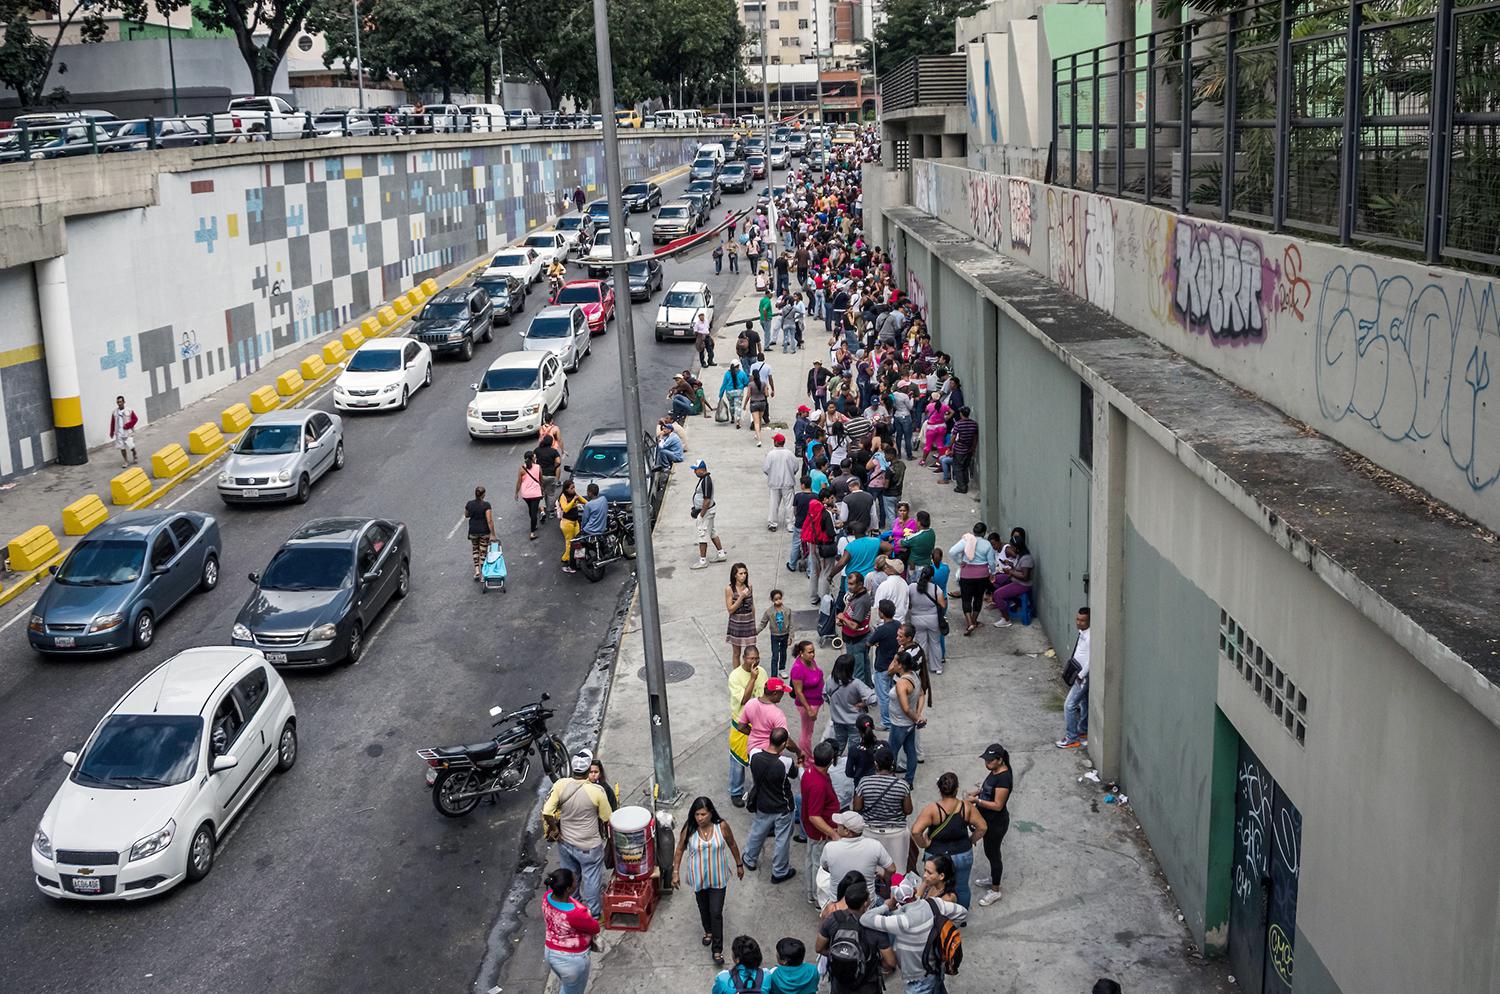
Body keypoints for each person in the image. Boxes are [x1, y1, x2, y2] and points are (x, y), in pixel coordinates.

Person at [858, 877, 967, 994]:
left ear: (896, 899)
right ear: (914, 891)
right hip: (937, 966)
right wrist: (942, 928)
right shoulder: (934, 903)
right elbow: (962, 913)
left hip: (918, 979)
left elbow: (865, 919)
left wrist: (886, 906)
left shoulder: (900, 921)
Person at [540, 750, 614, 918]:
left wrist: (555, 829)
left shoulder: (560, 785)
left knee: (571, 877)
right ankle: (594, 915)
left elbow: (547, 811)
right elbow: (607, 818)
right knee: (592, 879)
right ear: (589, 770)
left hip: (565, 843)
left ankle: (574, 911)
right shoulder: (597, 791)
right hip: (589, 846)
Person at [672, 796, 745, 965]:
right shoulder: (689, 828)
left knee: (716, 912)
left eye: (703, 814)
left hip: (718, 877)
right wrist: (675, 872)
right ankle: (708, 931)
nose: (700, 818)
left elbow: (732, 844)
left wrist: (739, 864)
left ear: (711, 813)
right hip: (698, 877)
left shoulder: (722, 827)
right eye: (697, 814)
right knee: (703, 907)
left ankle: (717, 949)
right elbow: (679, 850)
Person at [910, 772, 986, 910]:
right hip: (962, 853)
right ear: (957, 788)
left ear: (940, 789)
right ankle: (960, 916)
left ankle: (935, 914)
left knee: (932, 886)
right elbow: (982, 827)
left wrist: (924, 844)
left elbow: (915, 831)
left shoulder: (932, 809)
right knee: (962, 887)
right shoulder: (966, 807)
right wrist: (971, 840)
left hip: (936, 856)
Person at [818, 877, 897, 994]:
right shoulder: (874, 927)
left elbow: (819, 948)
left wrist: (841, 956)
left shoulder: (833, 919)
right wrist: (871, 964)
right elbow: (890, 962)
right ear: (865, 903)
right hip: (867, 984)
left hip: (839, 983)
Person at [744, 727, 800, 883]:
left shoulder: (754, 754)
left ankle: (749, 858)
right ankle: (780, 871)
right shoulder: (785, 762)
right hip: (782, 806)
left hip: (762, 803)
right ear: (783, 744)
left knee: (758, 831)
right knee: (782, 839)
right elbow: (795, 774)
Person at [852, 745, 913, 874]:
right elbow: (908, 810)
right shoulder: (902, 785)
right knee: (898, 871)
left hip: (870, 831)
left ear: (876, 764)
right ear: (892, 764)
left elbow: (857, 807)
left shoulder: (864, 782)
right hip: (896, 833)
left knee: (871, 871)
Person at [541, 867, 599, 994]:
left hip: (551, 952)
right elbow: (595, 928)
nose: (576, 882)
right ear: (568, 889)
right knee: (573, 991)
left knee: (568, 987)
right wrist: (587, 913)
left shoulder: (547, 897)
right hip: (571, 960)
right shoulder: (575, 914)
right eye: (574, 881)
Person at [967, 743, 1012, 907]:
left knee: (993, 855)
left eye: (991, 761)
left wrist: (977, 801)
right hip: (987, 820)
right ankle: (993, 877)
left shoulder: (1004, 779)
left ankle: (995, 889)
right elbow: (988, 788)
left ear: (1000, 760)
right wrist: (977, 792)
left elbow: (998, 805)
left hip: (996, 824)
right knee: (989, 852)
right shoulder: (994, 771)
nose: (987, 763)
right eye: (986, 760)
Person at [800, 740, 841, 908]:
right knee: (819, 865)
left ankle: (811, 893)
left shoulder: (809, 772)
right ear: (830, 761)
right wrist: (833, 833)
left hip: (813, 831)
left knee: (811, 859)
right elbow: (814, 816)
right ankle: (819, 899)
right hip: (820, 833)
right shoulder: (818, 784)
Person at [728, 646, 770, 805]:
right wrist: (752, 678)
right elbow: (744, 700)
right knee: (737, 760)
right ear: (744, 658)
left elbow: (765, 695)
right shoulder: (735, 676)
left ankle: (758, 790)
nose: (754, 661)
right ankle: (735, 791)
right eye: (751, 658)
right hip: (741, 723)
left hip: (759, 722)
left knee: (759, 759)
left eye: (757, 658)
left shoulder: (763, 672)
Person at [949, 522, 997, 636]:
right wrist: (993, 573)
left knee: (966, 599)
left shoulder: (966, 540)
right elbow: (991, 562)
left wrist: (960, 562)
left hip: (967, 574)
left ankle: (969, 623)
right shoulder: (987, 544)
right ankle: (974, 621)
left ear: (974, 531)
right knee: (978, 598)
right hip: (982, 575)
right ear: (984, 533)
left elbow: (952, 552)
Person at [887, 650, 925, 787]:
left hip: (900, 724)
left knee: (891, 754)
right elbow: (921, 694)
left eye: (895, 661)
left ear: (900, 665)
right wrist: (918, 716)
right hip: (909, 724)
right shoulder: (914, 675)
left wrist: (917, 717)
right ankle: (909, 780)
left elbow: (906, 708)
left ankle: (889, 781)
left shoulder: (901, 684)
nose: (892, 663)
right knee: (910, 751)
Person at [826, 653, 877, 751]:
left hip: (837, 720)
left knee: (838, 746)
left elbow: (824, 694)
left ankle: (834, 764)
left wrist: (833, 705)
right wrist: (863, 704)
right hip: (854, 721)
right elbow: (873, 699)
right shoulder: (856, 684)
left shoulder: (830, 679)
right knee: (854, 748)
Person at [1057, 608, 1091, 748]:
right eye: (1077, 619)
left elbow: (1092, 659)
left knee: (1069, 705)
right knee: (1083, 702)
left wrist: (1081, 675)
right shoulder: (1082, 632)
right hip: (1077, 673)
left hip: (1082, 677)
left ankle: (1072, 738)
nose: (1079, 623)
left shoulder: (1091, 637)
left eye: (1083, 620)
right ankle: (1083, 730)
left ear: (1090, 621)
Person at [787, 639, 825, 757]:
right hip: (807, 705)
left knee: (809, 731)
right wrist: (809, 709)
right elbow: (798, 692)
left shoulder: (811, 661)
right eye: (809, 652)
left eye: (813, 651)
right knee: (806, 733)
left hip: (816, 702)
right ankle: (806, 758)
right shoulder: (797, 669)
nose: (812, 654)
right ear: (801, 653)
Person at [992, 528, 1036, 628]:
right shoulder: (1021, 555)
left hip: (1022, 585)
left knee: (997, 594)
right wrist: (1011, 566)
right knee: (995, 580)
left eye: (1012, 547)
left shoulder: (1026, 558)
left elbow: (1025, 576)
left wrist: (1011, 571)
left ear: (1017, 548)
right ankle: (1010, 603)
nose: (1010, 548)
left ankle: (1006, 619)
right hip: (1016, 580)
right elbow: (1019, 570)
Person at [906, 566, 947, 675]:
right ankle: (937, 667)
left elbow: (908, 603)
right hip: (933, 619)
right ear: (931, 577)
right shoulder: (936, 588)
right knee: (935, 643)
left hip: (916, 619)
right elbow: (942, 604)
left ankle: (920, 667)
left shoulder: (911, 587)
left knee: (921, 644)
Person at [866, 600, 901, 727]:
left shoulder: (881, 630)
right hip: (895, 665)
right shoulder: (898, 625)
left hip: (882, 667)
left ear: (882, 613)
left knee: (883, 696)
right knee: (892, 694)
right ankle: (894, 717)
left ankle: (887, 722)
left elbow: (868, 642)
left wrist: (875, 642)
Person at [836, 572, 874, 682]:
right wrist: (843, 621)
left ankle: (860, 696)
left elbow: (855, 626)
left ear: (860, 584)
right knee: (865, 666)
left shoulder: (862, 601)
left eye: (852, 584)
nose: (849, 586)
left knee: (857, 671)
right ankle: (868, 688)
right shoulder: (857, 595)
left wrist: (843, 618)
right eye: (848, 583)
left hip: (857, 641)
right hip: (854, 639)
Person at [691, 460, 727, 569]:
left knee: (702, 534)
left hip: (706, 512)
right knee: (712, 532)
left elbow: (706, 500)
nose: (694, 472)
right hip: (708, 511)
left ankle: (703, 561)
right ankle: (721, 554)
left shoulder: (706, 481)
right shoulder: (704, 479)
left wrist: (701, 515)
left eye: (696, 470)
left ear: (702, 469)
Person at [761, 433, 799, 531]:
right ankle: (790, 525)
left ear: (776, 442)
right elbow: (796, 467)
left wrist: (771, 475)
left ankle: (773, 523)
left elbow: (765, 468)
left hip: (774, 483)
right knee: (789, 505)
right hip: (788, 482)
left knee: (774, 504)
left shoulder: (770, 454)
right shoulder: (789, 454)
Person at [725, 563, 758, 668]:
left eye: (745, 573)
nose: (743, 576)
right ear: (735, 575)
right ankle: (736, 675)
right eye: (741, 573)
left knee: (752, 652)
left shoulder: (749, 586)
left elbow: (752, 605)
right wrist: (741, 597)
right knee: (736, 652)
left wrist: (753, 620)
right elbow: (730, 609)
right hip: (736, 623)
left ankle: (750, 671)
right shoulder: (729, 589)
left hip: (748, 621)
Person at [756, 588, 795, 678]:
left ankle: (782, 669)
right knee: (775, 655)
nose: (778, 601)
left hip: (785, 635)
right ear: (772, 600)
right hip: (775, 636)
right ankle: (774, 674)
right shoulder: (769, 612)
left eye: (780, 598)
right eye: (776, 599)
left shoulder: (787, 610)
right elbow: (763, 623)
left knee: (783, 653)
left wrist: (791, 636)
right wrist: (756, 632)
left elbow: (791, 624)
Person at [944, 407, 979, 493]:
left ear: (961, 414)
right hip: (969, 449)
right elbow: (975, 438)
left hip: (959, 449)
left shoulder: (958, 424)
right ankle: (965, 483)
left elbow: (953, 437)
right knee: (965, 467)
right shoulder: (974, 424)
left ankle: (961, 487)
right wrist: (973, 448)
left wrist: (949, 447)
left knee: (958, 468)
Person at [464, 486, 495, 581]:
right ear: (484, 494)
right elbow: (489, 520)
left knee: (475, 550)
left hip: (473, 531)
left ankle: (477, 571)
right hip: (484, 532)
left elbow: (466, 515)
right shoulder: (486, 505)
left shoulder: (469, 504)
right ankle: (483, 574)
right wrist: (493, 534)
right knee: (483, 552)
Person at [557, 479, 584, 573]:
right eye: (571, 488)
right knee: (570, 544)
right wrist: (573, 501)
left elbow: (584, 501)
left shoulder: (574, 494)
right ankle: (566, 562)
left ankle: (577, 560)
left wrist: (592, 505)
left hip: (575, 522)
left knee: (578, 542)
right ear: (566, 489)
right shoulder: (563, 497)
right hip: (567, 523)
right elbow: (565, 509)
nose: (574, 489)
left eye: (574, 487)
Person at [535, 432, 563, 522]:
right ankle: (551, 512)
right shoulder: (554, 451)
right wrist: (553, 467)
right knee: (551, 494)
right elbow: (558, 462)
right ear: (551, 442)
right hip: (551, 475)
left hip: (540, 475)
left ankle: (542, 511)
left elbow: (533, 459)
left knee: (541, 494)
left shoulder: (537, 450)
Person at [515, 452, 544, 540]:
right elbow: (541, 480)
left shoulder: (521, 468)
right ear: (532, 458)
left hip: (525, 494)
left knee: (531, 510)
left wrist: (516, 493)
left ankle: (533, 524)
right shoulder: (538, 467)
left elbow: (519, 482)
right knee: (534, 511)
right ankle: (532, 532)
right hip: (536, 493)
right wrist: (542, 489)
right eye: (534, 457)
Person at [745, 357, 772, 446]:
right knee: (759, 420)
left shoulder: (751, 384)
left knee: (756, 421)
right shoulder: (763, 384)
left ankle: (759, 439)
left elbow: (748, 395)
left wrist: (745, 405)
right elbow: (767, 394)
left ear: (753, 375)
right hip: (762, 403)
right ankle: (757, 434)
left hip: (754, 403)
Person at [108, 396, 140, 466]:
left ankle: (134, 454)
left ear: (124, 402)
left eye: (120, 402)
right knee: (122, 448)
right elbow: (112, 423)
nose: (119, 403)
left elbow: (135, 419)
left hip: (127, 432)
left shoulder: (129, 410)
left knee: (131, 446)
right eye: (118, 402)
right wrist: (111, 432)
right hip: (119, 433)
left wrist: (128, 425)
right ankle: (126, 461)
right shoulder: (114, 412)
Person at [720, 361, 749, 428]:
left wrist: (720, 395)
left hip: (729, 392)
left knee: (731, 405)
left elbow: (723, 385)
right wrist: (742, 386)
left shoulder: (727, 374)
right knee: (738, 406)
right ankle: (738, 421)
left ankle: (732, 417)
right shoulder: (741, 373)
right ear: (738, 366)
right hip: (739, 392)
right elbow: (746, 382)